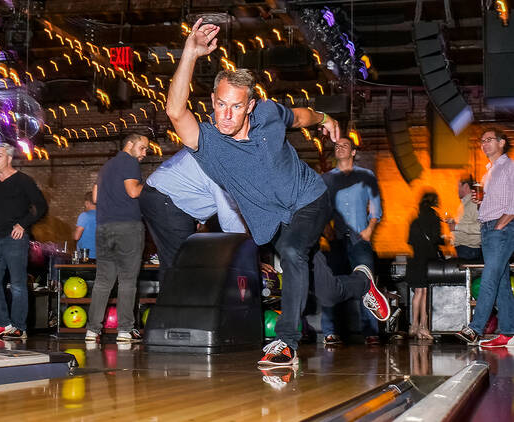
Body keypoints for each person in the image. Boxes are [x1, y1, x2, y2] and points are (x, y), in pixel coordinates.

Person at [166, 19, 389, 366]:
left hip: (310, 199)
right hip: (275, 222)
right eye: (221, 104)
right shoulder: (207, 143)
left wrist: (324, 117)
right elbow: (174, 110)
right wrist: (190, 53)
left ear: (250, 106)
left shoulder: (268, 113)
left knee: (291, 249)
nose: (226, 115)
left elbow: (299, 117)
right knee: (328, 293)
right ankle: (364, 284)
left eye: (236, 107)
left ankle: (286, 343)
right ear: (212, 99)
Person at [139, 148, 246, 282]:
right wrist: (247, 255)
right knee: (181, 261)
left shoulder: (224, 151)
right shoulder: (222, 162)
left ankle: (175, 300)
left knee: (181, 260)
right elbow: (230, 218)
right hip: (165, 197)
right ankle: (176, 301)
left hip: (170, 199)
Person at [85, 133, 149, 343]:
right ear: (129, 145)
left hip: (104, 227)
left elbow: (95, 198)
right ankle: (124, 331)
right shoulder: (129, 162)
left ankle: (92, 331)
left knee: (103, 281)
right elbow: (133, 192)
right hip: (127, 227)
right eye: (142, 148)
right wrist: (150, 187)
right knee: (127, 280)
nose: (144, 153)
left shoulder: (106, 167)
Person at [321, 137, 383, 345]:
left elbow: (376, 206)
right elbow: (321, 209)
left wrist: (369, 230)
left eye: (344, 145)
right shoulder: (326, 179)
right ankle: (330, 331)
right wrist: (326, 230)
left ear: (353, 152)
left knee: (367, 284)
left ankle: (370, 332)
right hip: (336, 239)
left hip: (360, 238)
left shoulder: (366, 176)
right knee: (330, 284)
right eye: (337, 146)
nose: (339, 148)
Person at [0, 144, 47, 339]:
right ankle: (3, 323)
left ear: (9, 159)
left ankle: (19, 327)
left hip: (15, 239)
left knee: (18, 284)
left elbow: (41, 206)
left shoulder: (23, 180)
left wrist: (23, 225)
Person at [456, 129, 514, 347]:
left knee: (489, 277)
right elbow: (497, 200)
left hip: (502, 228)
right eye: (482, 141)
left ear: (502, 143)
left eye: (489, 140)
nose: (484, 144)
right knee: (500, 283)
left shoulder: (509, 167)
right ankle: (509, 333)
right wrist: (481, 202)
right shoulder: (488, 172)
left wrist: (501, 224)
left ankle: (475, 327)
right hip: (488, 229)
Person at [406, 191, 443, 340]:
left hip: (415, 259)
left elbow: (410, 241)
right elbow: (436, 239)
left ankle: (413, 325)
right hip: (427, 260)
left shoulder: (415, 219)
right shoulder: (434, 217)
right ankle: (424, 326)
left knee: (418, 293)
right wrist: (444, 240)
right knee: (425, 293)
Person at [445, 176, 482, 261]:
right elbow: (465, 221)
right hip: (461, 249)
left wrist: (456, 226)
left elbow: (480, 227)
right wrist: (451, 222)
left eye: (457, 186)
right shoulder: (463, 204)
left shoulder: (474, 202)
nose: (454, 189)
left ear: (465, 186)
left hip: (467, 250)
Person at [75, 192, 97, 259]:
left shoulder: (84, 216)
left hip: (86, 256)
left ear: (87, 203)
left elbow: (76, 237)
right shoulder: (104, 216)